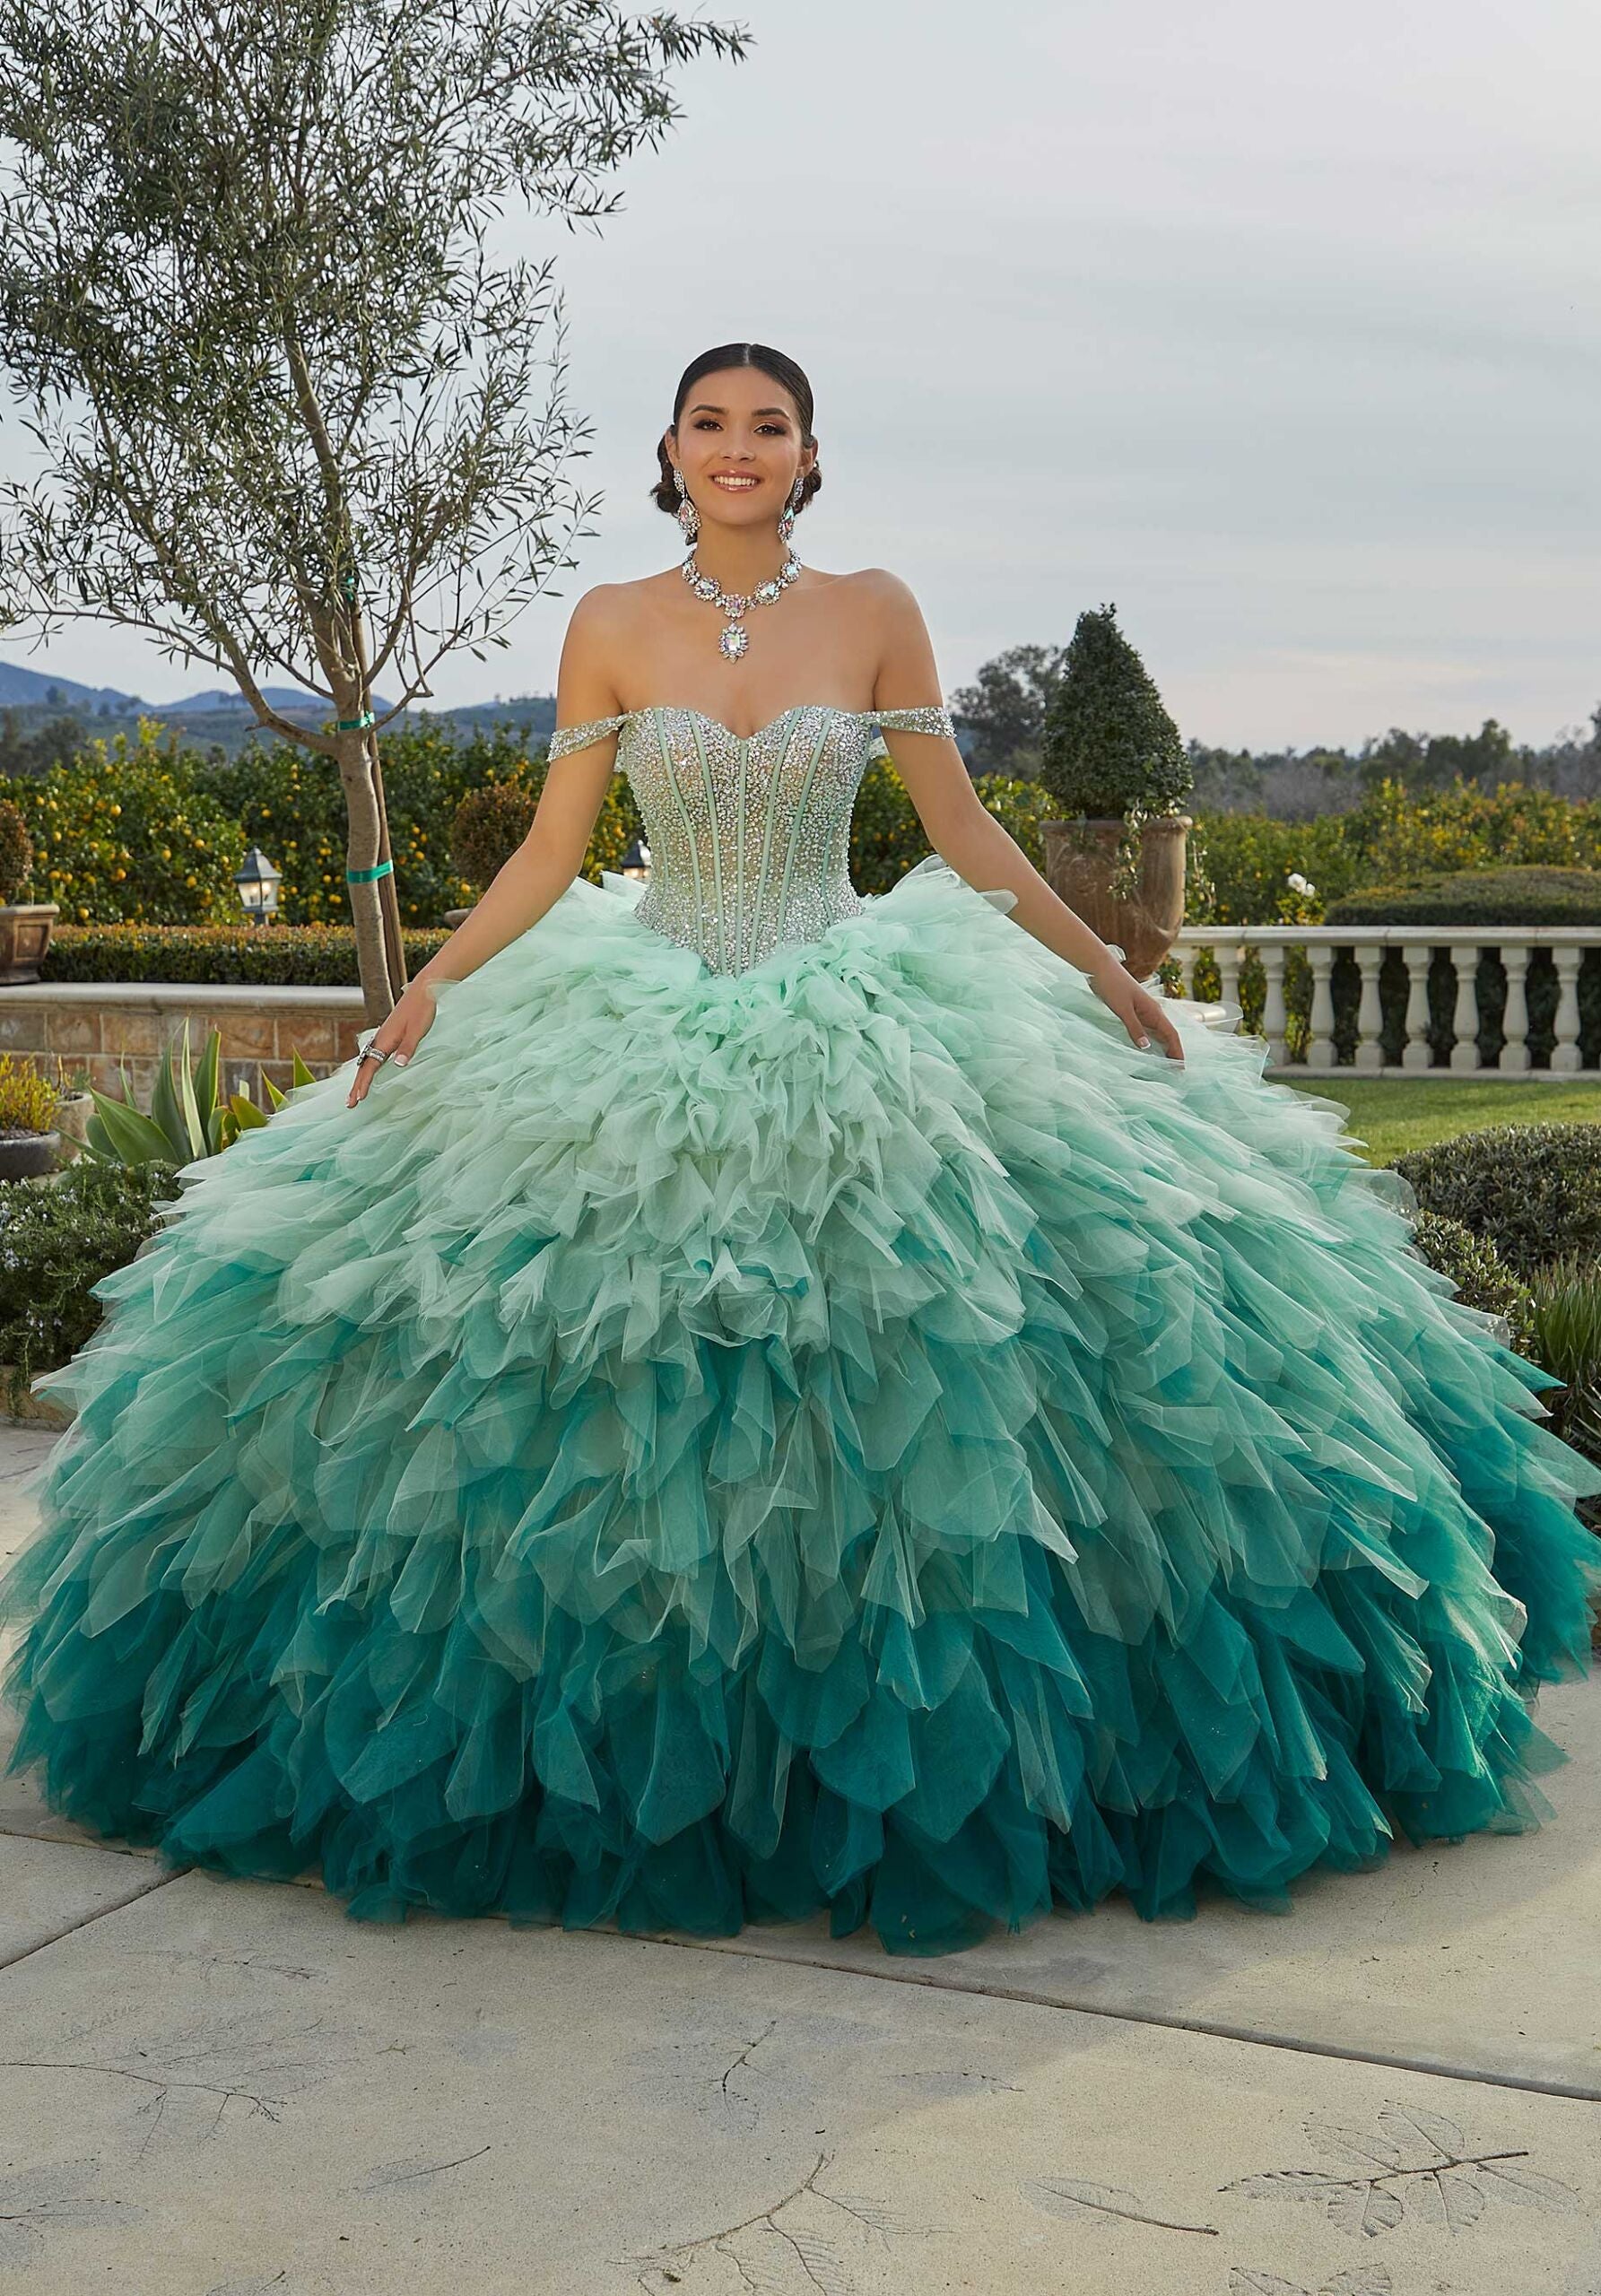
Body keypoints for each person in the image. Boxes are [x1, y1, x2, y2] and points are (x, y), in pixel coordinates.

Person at [3, 342, 1597, 1959]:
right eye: (711, 424)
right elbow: (556, 851)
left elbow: (961, 828)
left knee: (926, 1375)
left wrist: (1101, 964)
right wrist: (430, 984)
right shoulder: (611, 622)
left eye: (768, 425)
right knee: (595, 1393)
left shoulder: (876, 606)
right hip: (640, 1007)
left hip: (855, 1001)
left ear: (809, 452)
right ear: (672, 450)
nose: (738, 447)